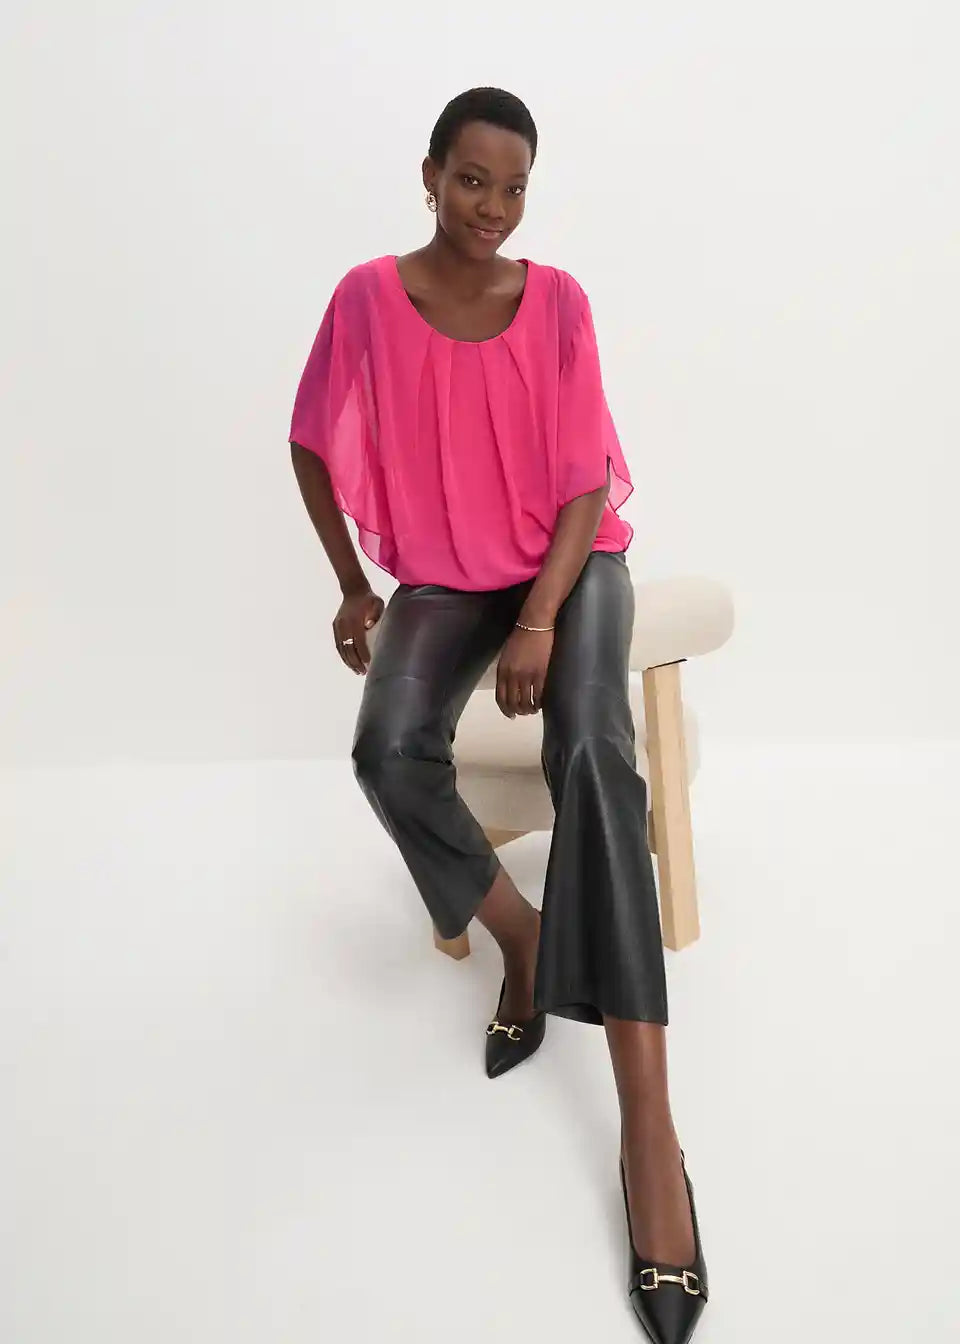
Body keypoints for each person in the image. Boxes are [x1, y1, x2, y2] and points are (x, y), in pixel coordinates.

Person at [287, 87, 709, 1342]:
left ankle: (649, 1131)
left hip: (569, 568)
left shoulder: (560, 301)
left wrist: (539, 620)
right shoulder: (368, 298)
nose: (493, 206)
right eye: (472, 179)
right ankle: (522, 939)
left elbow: (583, 484)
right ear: (429, 175)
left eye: (515, 186)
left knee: (594, 752)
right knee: (385, 749)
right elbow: (309, 438)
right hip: (443, 578)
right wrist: (350, 583)